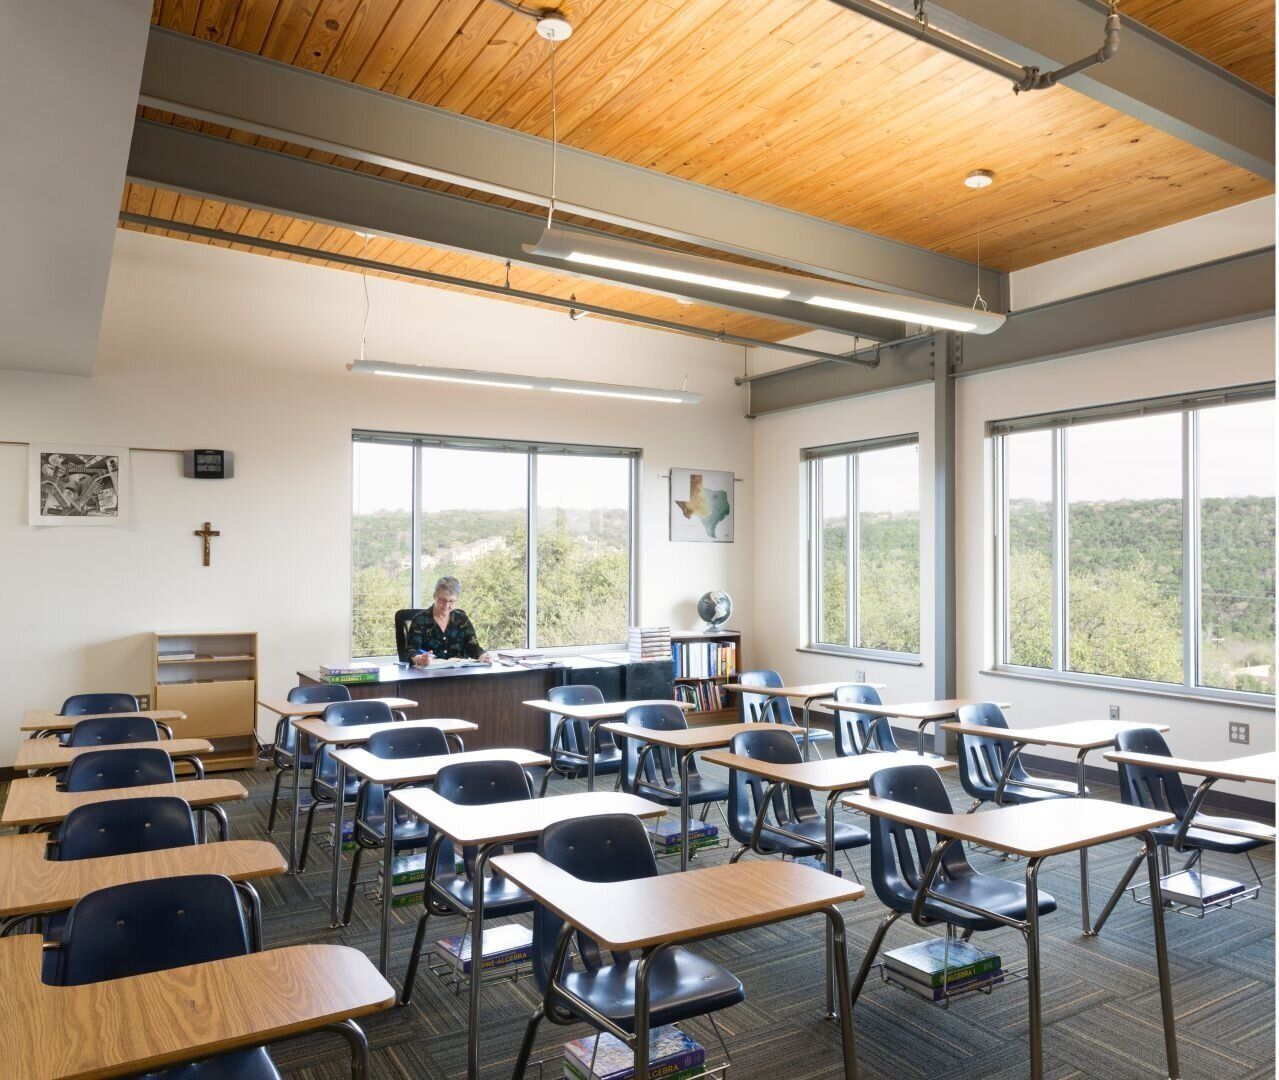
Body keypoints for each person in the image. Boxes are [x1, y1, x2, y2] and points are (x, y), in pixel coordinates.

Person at [405, 576, 491, 665]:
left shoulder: (462, 619)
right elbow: (412, 650)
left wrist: (482, 655)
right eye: (442, 600)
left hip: (459, 674)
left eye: (451, 601)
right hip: (429, 675)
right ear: (435, 596)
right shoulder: (419, 620)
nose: (446, 605)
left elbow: (473, 647)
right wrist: (420, 659)